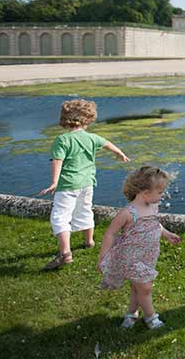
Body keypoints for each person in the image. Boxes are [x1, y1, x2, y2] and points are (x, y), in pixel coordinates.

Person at [40, 99, 129, 270]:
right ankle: (89, 242)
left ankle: (65, 253)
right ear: (88, 118)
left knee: (60, 216)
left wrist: (54, 182)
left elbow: (57, 161)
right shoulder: (92, 138)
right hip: (87, 183)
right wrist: (120, 153)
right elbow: (107, 144)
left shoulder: (63, 140)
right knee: (85, 210)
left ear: (65, 119)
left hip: (68, 185)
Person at [97, 166, 181, 329]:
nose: (162, 195)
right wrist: (103, 257)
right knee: (145, 287)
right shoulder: (128, 213)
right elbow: (110, 234)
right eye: (160, 192)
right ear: (145, 193)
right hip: (131, 257)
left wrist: (166, 233)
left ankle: (131, 313)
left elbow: (155, 224)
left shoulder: (152, 206)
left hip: (148, 255)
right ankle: (151, 318)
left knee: (138, 287)